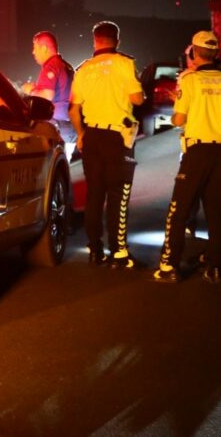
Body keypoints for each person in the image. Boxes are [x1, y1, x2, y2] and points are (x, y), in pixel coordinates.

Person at [152, 30, 221, 284]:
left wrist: (179, 107)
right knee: (218, 212)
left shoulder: (190, 81)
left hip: (196, 153)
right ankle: (215, 266)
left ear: (194, 52)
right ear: (216, 53)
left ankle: (169, 266)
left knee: (179, 210)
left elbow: (179, 119)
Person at [69, 21, 145, 268]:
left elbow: (73, 109)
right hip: (117, 138)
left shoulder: (83, 70)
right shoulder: (125, 64)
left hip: (92, 136)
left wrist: (81, 133)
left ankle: (95, 250)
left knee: (94, 195)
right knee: (118, 194)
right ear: (117, 40)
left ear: (95, 41)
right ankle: (119, 252)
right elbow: (138, 99)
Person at [22, 31, 77, 159]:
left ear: (44, 48)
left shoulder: (51, 66)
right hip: (69, 127)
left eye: (35, 48)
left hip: (57, 129)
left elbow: (47, 96)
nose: (33, 52)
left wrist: (30, 90)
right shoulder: (65, 65)